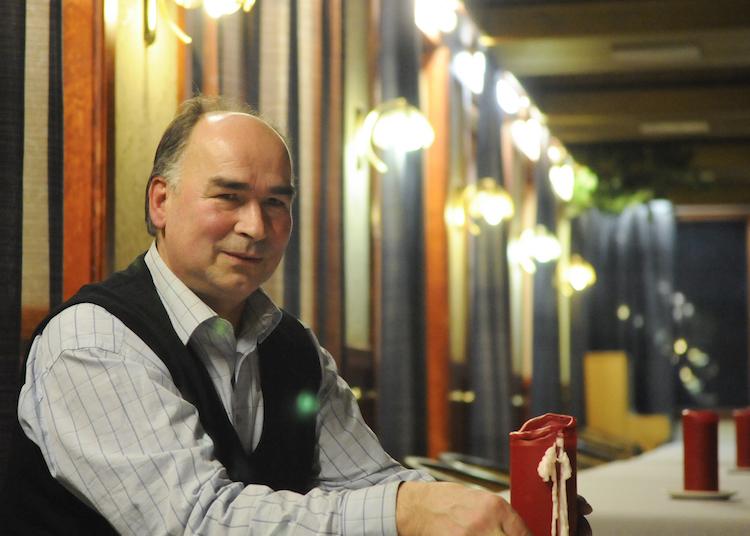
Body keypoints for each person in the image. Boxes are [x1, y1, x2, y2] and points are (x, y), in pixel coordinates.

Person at [1, 95, 537, 535]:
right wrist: (406, 513)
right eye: (228, 196)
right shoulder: (93, 339)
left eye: (276, 203)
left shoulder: (292, 347)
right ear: (160, 202)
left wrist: (498, 513)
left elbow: (367, 482)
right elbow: (198, 522)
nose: (256, 227)